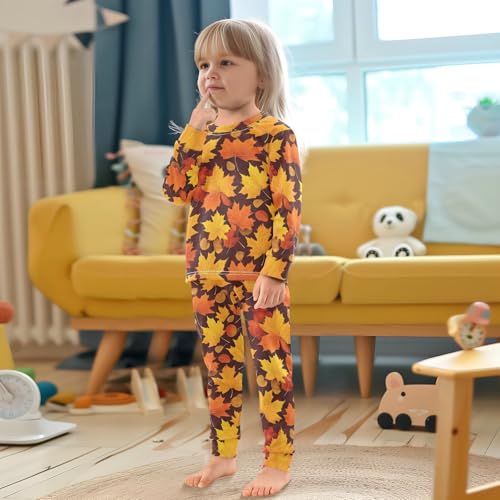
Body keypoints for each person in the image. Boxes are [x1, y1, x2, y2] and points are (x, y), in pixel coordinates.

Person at [162, 18, 302, 497]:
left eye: (225, 62)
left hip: (259, 276)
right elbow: (175, 190)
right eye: (203, 65)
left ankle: (278, 462)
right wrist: (193, 131)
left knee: (271, 369)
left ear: (260, 74)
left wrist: (276, 272)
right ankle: (222, 456)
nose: (211, 74)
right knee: (219, 369)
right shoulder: (200, 137)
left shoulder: (275, 135)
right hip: (205, 272)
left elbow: (288, 208)